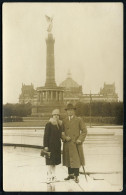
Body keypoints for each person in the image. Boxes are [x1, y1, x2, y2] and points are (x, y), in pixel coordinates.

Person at [62, 103, 87, 183]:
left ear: (74, 111)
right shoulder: (64, 120)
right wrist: (65, 137)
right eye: (68, 110)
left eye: (71, 110)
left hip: (76, 144)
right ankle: (70, 174)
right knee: (68, 159)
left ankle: (76, 176)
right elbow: (62, 132)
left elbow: (84, 131)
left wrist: (80, 139)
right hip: (67, 144)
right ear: (66, 111)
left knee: (76, 160)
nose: (70, 112)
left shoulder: (79, 120)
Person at [43, 109, 63, 183]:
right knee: (49, 162)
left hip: (57, 146)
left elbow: (61, 135)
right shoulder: (49, 124)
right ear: (52, 115)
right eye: (55, 115)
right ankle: (48, 177)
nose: (56, 116)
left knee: (54, 162)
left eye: (57, 115)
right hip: (50, 146)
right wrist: (45, 146)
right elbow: (46, 136)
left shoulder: (59, 125)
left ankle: (54, 176)